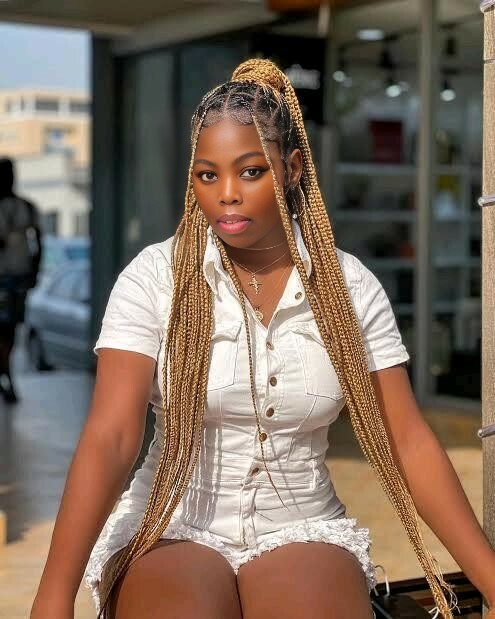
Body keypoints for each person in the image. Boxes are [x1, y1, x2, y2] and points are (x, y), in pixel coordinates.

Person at [31, 59, 495, 619]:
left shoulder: (348, 287)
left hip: (301, 524)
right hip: (172, 524)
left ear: (292, 168)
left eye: (250, 171)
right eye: (207, 175)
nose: (226, 194)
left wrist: (492, 582)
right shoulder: (155, 279)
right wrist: (53, 596)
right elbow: (112, 436)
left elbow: (408, 442)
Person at [0, 158, 42, 404]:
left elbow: (38, 239)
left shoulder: (25, 207)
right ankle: (6, 377)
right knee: (4, 330)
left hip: (18, 277)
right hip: (4, 277)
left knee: (11, 330)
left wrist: (35, 270)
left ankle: (6, 375)